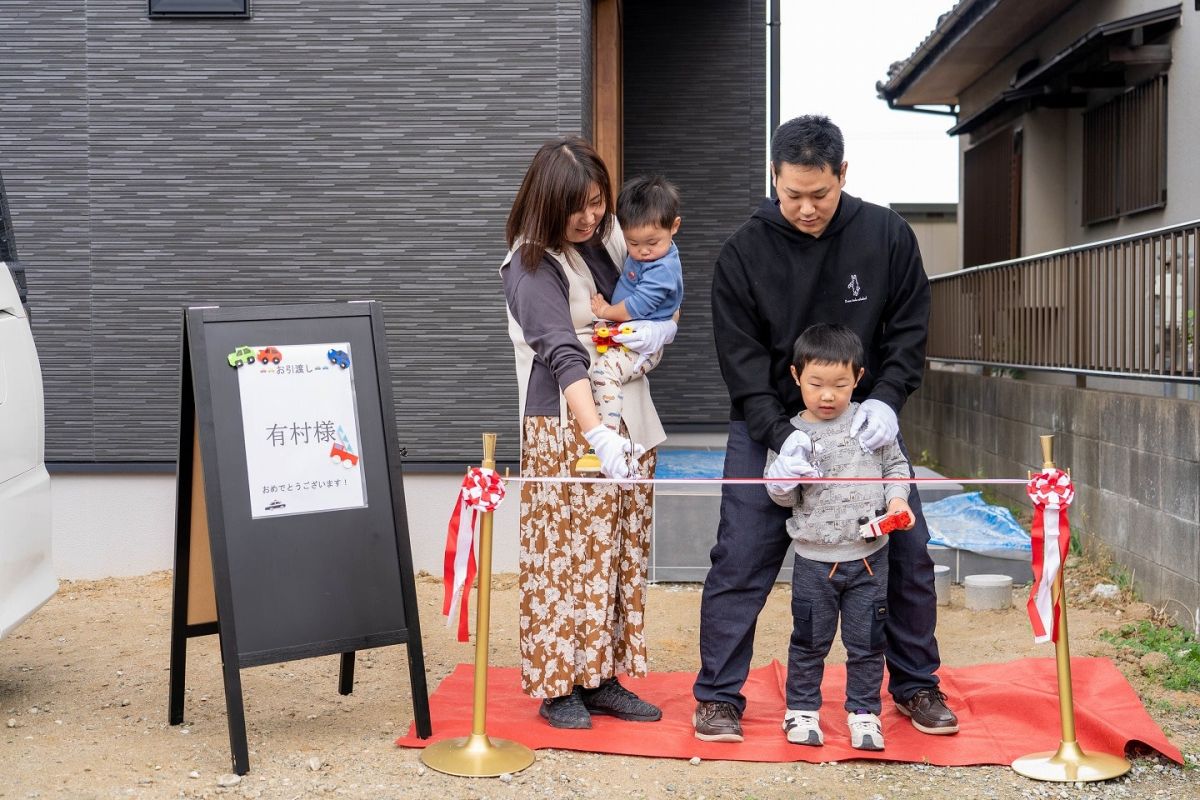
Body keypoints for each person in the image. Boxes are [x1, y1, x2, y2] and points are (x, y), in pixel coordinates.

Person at [693, 114, 958, 742]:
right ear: (773, 180)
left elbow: (908, 332)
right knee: (741, 557)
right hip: (772, 427)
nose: (806, 208)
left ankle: (916, 685)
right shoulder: (743, 253)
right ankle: (719, 698)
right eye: (792, 195)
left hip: (866, 428)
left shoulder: (886, 235)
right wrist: (779, 435)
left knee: (907, 555)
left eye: (820, 193)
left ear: (844, 174)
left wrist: (888, 399)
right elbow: (741, 363)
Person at [500, 136, 678, 730]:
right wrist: (597, 433)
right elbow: (560, 354)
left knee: (618, 554)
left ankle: (603, 676)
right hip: (568, 426)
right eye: (576, 208)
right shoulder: (530, 265)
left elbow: (654, 292)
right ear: (545, 204)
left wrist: (660, 329)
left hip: (631, 418)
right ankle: (559, 686)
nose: (590, 217)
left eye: (597, 203)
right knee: (565, 560)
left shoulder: (607, 244)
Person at [764, 324, 915, 751]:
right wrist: (779, 479)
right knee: (809, 641)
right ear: (796, 377)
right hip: (814, 560)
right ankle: (802, 710)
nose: (827, 395)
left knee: (867, 642)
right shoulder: (791, 435)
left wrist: (899, 501)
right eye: (815, 384)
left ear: (859, 377)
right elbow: (781, 496)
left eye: (840, 385)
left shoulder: (871, 422)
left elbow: (896, 468)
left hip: (870, 558)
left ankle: (864, 714)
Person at [588, 175, 684, 433]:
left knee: (602, 373)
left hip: (644, 344)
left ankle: (606, 438)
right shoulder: (648, 255)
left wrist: (605, 311)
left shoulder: (662, 268)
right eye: (633, 243)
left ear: (674, 226)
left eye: (652, 243)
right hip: (628, 335)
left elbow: (637, 307)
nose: (642, 251)